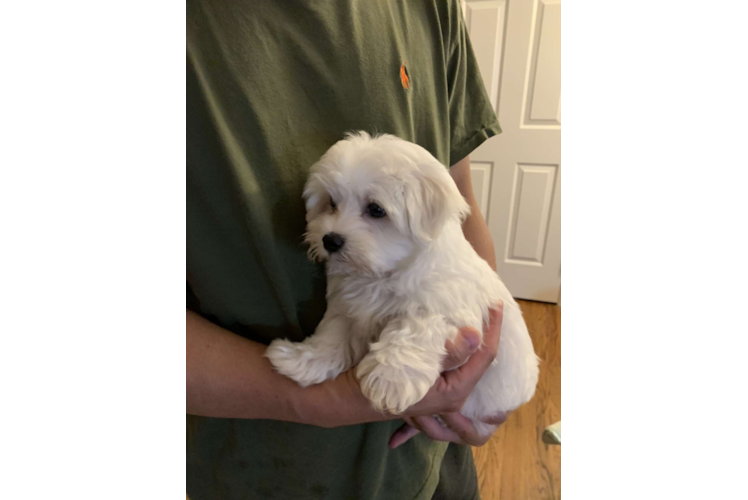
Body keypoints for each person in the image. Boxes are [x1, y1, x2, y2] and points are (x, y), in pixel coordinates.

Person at [186, 1, 506, 498]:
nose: (337, 229)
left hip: (436, 449)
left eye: (373, 211)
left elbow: (460, 202)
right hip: (266, 471)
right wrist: (319, 398)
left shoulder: (432, 7)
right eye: (331, 205)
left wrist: (482, 366)